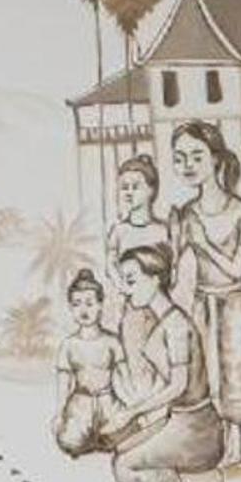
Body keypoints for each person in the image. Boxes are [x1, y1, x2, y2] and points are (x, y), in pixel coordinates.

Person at [167, 120, 241, 466]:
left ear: (216, 159)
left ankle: (237, 445)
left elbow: (238, 269)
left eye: (197, 156)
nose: (188, 165)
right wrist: (175, 241)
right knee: (200, 371)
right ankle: (208, 443)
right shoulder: (185, 213)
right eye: (180, 158)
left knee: (236, 370)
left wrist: (204, 243)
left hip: (235, 302)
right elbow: (176, 270)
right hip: (199, 300)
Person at [102, 243, 227, 482]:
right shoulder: (165, 323)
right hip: (178, 419)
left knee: (124, 468)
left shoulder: (176, 327)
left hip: (198, 428)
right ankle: (195, 476)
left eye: (131, 281)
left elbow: (179, 386)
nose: (125, 289)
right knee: (122, 449)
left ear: (155, 279)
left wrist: (131, 412)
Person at [52, 268, 124, 459]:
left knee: (119, 438)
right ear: (70, 308)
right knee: (69, 443)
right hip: (80, 402)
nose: (84, 310)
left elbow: (123, 378)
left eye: (90, 303)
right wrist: (59, 413)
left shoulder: (112, 341)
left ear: (100, 305)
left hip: (108, 400)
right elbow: (64, 383)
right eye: (77, 304)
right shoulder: (68, 345)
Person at [105, 153, 168, 366]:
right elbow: (111, 265)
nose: (129, 192)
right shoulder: (119, 231)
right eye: (124, 187)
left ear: (151, 190)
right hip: (130, 308)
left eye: (135, 187)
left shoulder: (163, 230)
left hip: (159, 308)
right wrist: (124, 288)